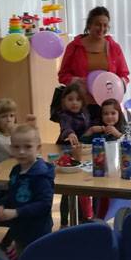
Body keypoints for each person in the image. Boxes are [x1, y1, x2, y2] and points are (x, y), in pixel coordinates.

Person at [0, 124, 55, 252]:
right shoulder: (16, 171)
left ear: (38, 148)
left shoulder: (41, 175)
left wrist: (16, 212)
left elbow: (44, 204)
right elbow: (12, 194)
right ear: (11, 148)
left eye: (27, 147)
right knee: (22, 254)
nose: (21, 152)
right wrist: (2, 205)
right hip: (20, 229)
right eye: (16, 147)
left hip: (38, 232)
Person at [58, 6, 130, 116]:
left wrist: (119, 84)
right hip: (80, 105)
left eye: (105, 25)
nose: (102, 28)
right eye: (98, 24)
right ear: (89, 25)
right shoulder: (74, 47)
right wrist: (77, 82)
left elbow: (124, 75)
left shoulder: (114, 47)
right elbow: (63, 75)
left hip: (107, 107)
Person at [54, 82, 93, 224]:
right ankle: (64, 221)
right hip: (67, 153)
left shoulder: (85, 113)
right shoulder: (64, 115)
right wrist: (70, 133)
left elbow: (87, 129)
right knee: (67, 189)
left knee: (81, 186)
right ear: (64, 101)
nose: (74, 103)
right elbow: (65, 127)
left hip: (81, 152)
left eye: (78, 99)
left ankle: (83, 217)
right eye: (70, 99)